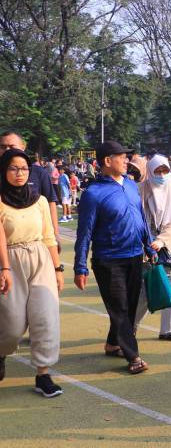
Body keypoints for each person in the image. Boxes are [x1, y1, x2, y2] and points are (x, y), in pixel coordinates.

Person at [74, 141, 155, 374]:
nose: (126, 160)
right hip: (108, 260)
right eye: (122, 157)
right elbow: (84, 233)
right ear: (107, 161)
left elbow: (141, 219)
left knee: (129, 307)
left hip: (135, 255)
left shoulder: (130, 185)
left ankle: (112, 344)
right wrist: (80, 267)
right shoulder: (93, 194)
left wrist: (149, 246)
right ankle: (133, 356)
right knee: (119, 308)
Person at [0, 149, 63, 397]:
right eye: (13, 168)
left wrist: (57, 269)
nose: (20, 173)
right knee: (12, 324)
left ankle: (43, 374)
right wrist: (4, 268)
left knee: (45, 318)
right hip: (9, 262)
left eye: (24, 168)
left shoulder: (39, 201)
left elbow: (48, 236)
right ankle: (2, 352)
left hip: (40, 260)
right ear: (4, 171)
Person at [134, 155, 171, 342]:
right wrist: (148, 241)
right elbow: (137, 217)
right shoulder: (141, 190)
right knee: (145, 291)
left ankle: (167, 329)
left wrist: (161, 240)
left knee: (170, 289)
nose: (162, 175)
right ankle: (131, 327)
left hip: (167, 248)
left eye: (165, 170)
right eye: (157, 171)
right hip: (144, 248)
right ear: (150, 171)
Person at [0, 132, 60, 251]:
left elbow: (50, 202)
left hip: (35, 241)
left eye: (11, 146)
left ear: (23, 147)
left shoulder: (38, 173)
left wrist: (56, 233)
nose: (7, 150)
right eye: (3, 147)